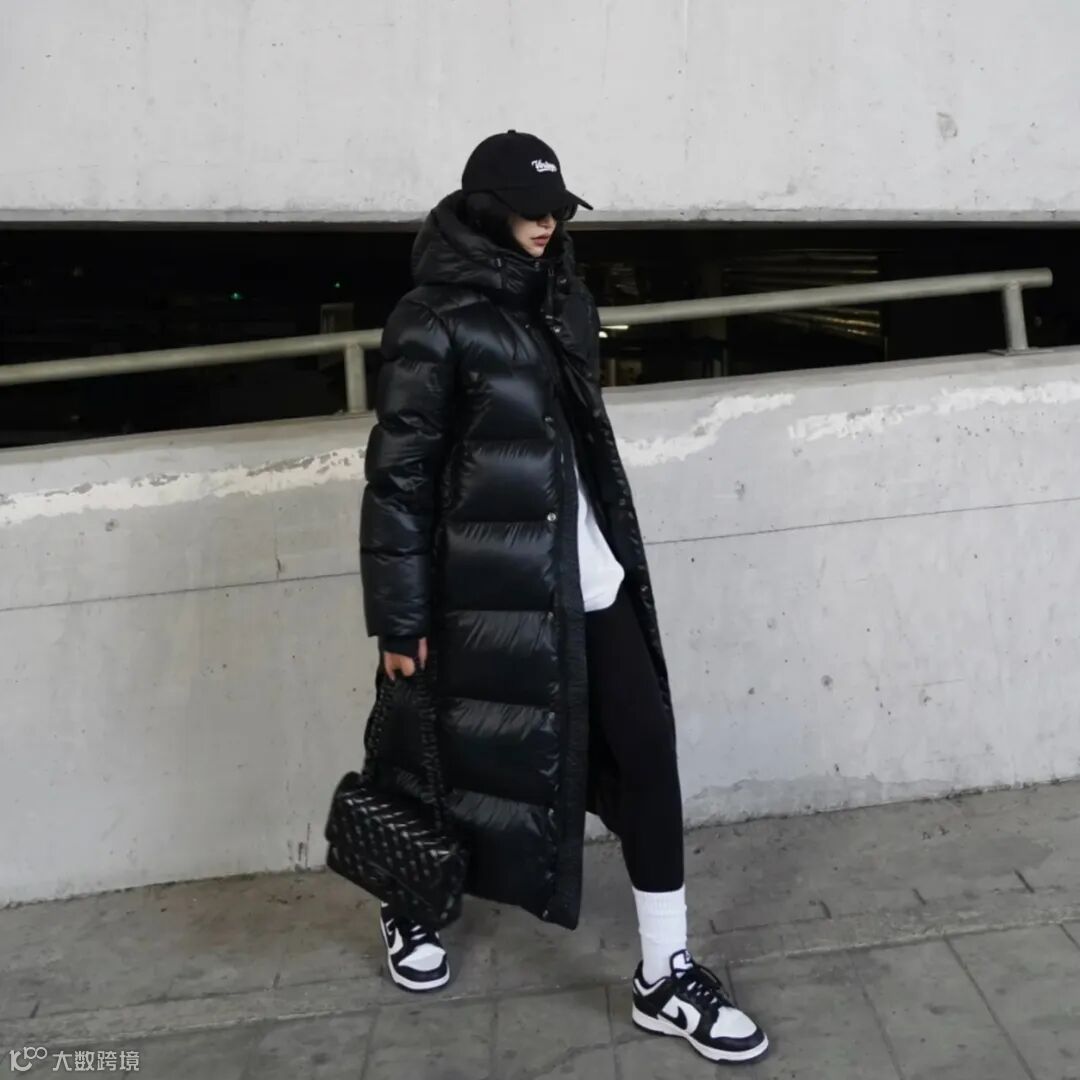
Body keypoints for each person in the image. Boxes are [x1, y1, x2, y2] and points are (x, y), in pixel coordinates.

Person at [359, 130, 769, 1066]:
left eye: (557, 210)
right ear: (483, 211)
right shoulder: (431, 318)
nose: (547, 225)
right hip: (483, 585)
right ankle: (408, 901)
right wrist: (400, 615)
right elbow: (399, 477)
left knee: (647, 749)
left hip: (588, 572)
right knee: (444, 759)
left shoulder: (564, 298)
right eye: (529, 211)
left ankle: (664, 976)